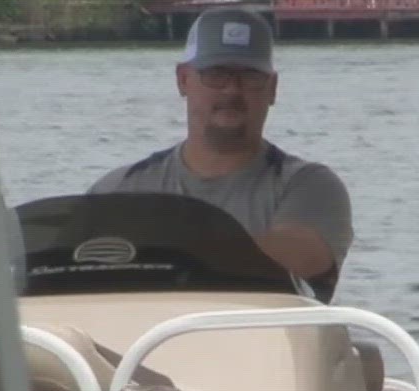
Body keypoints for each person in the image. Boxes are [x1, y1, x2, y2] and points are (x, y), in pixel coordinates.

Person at [89, 7, 353, 302]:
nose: (232, 90)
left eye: (250, 76)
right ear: (183, 80)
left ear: (273, 89)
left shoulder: (309, 186)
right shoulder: (119, 189)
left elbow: (301, 254)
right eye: (216, 73)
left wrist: (147, 253)